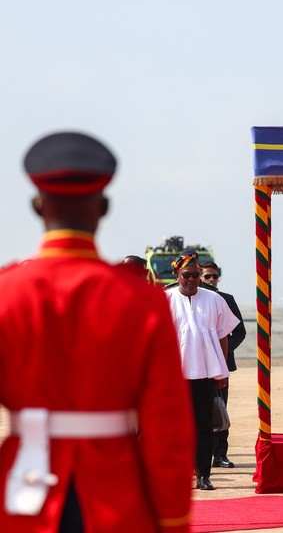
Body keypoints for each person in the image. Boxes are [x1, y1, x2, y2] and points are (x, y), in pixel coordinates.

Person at [0, 131, 193, 532]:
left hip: (21, 490)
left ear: (37, 206)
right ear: (103, 207)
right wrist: (172, 518)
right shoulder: (142, 300)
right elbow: (167, 426)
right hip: (114, 494)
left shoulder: (7, 293)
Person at [166, 251, 239, 491]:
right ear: (177, 275)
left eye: (196, 275)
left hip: (207, 375)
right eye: (187, 275)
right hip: (174, 377)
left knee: (205, 427)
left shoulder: (214, 299)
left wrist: (222, 371)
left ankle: (203, 475)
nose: (192, 280)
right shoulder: (165, 300)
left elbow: (223, 337)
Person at [199, 260, 246, 468]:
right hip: (195, 366)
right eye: (207, 276)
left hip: (220, 365)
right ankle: (200, 457)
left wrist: (221, 351)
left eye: (214, 276)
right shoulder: (190, 299)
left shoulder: (226, 299)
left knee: (220, 409)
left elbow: (239, 331)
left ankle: (220, 455)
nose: (211, 280)